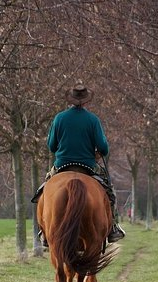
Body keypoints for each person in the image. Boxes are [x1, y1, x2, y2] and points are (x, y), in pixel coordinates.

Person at [32, 82, 125, 245]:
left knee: (44, 190)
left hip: (62, 166)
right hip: (88, 165)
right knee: (109, 192)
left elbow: (51, 146)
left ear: (71, 99)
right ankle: (112, 229)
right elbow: (104, 147)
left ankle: (44, 230)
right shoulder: (93, 120)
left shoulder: (59, 118)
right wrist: (96, 152)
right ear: (86, 101)